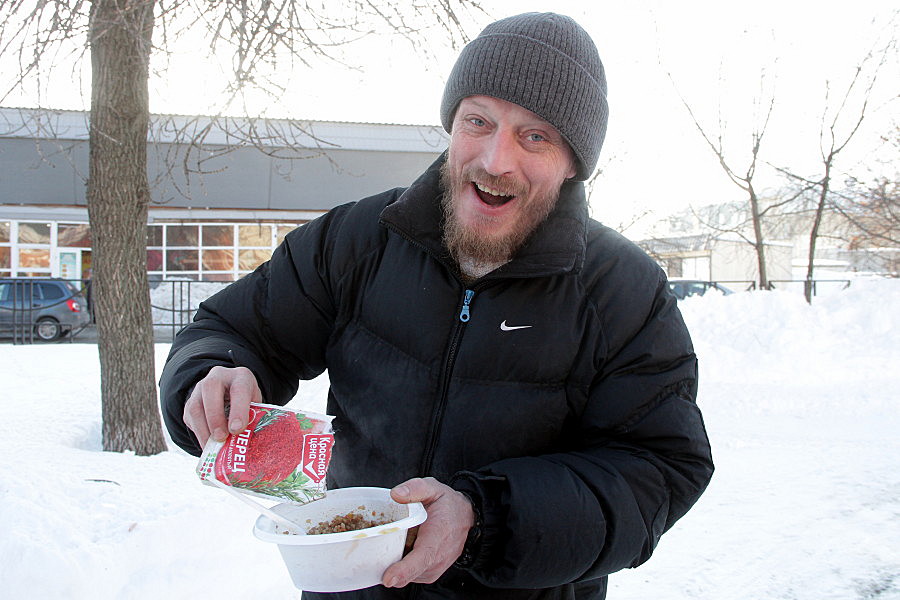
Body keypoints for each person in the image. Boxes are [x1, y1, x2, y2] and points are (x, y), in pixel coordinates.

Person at [159, 12, 713, 600]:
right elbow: (230, 328)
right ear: (452, 124)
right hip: (351, 584)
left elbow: (657, 468)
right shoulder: (358, 238)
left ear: (573, 161)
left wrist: (484, 517)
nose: (496, 160)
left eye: (535, 136)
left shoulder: (623, 290)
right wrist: (210, 374)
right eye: (479, 120)